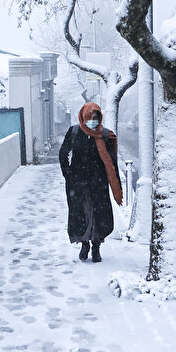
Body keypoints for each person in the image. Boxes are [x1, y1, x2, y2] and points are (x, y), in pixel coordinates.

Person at [59, 102, 123, 262]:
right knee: (81, 213)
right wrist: (68, 173)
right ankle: (84, 243)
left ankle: (96, 246)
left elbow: (112, 161)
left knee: (98, 214)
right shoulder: (74, 132)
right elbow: (63, 153)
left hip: (98, 182)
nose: (92, 121)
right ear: (83, 117)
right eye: (89, 118)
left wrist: (116, 184)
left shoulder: (106, 135)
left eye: (95, 118)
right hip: (78, 183)